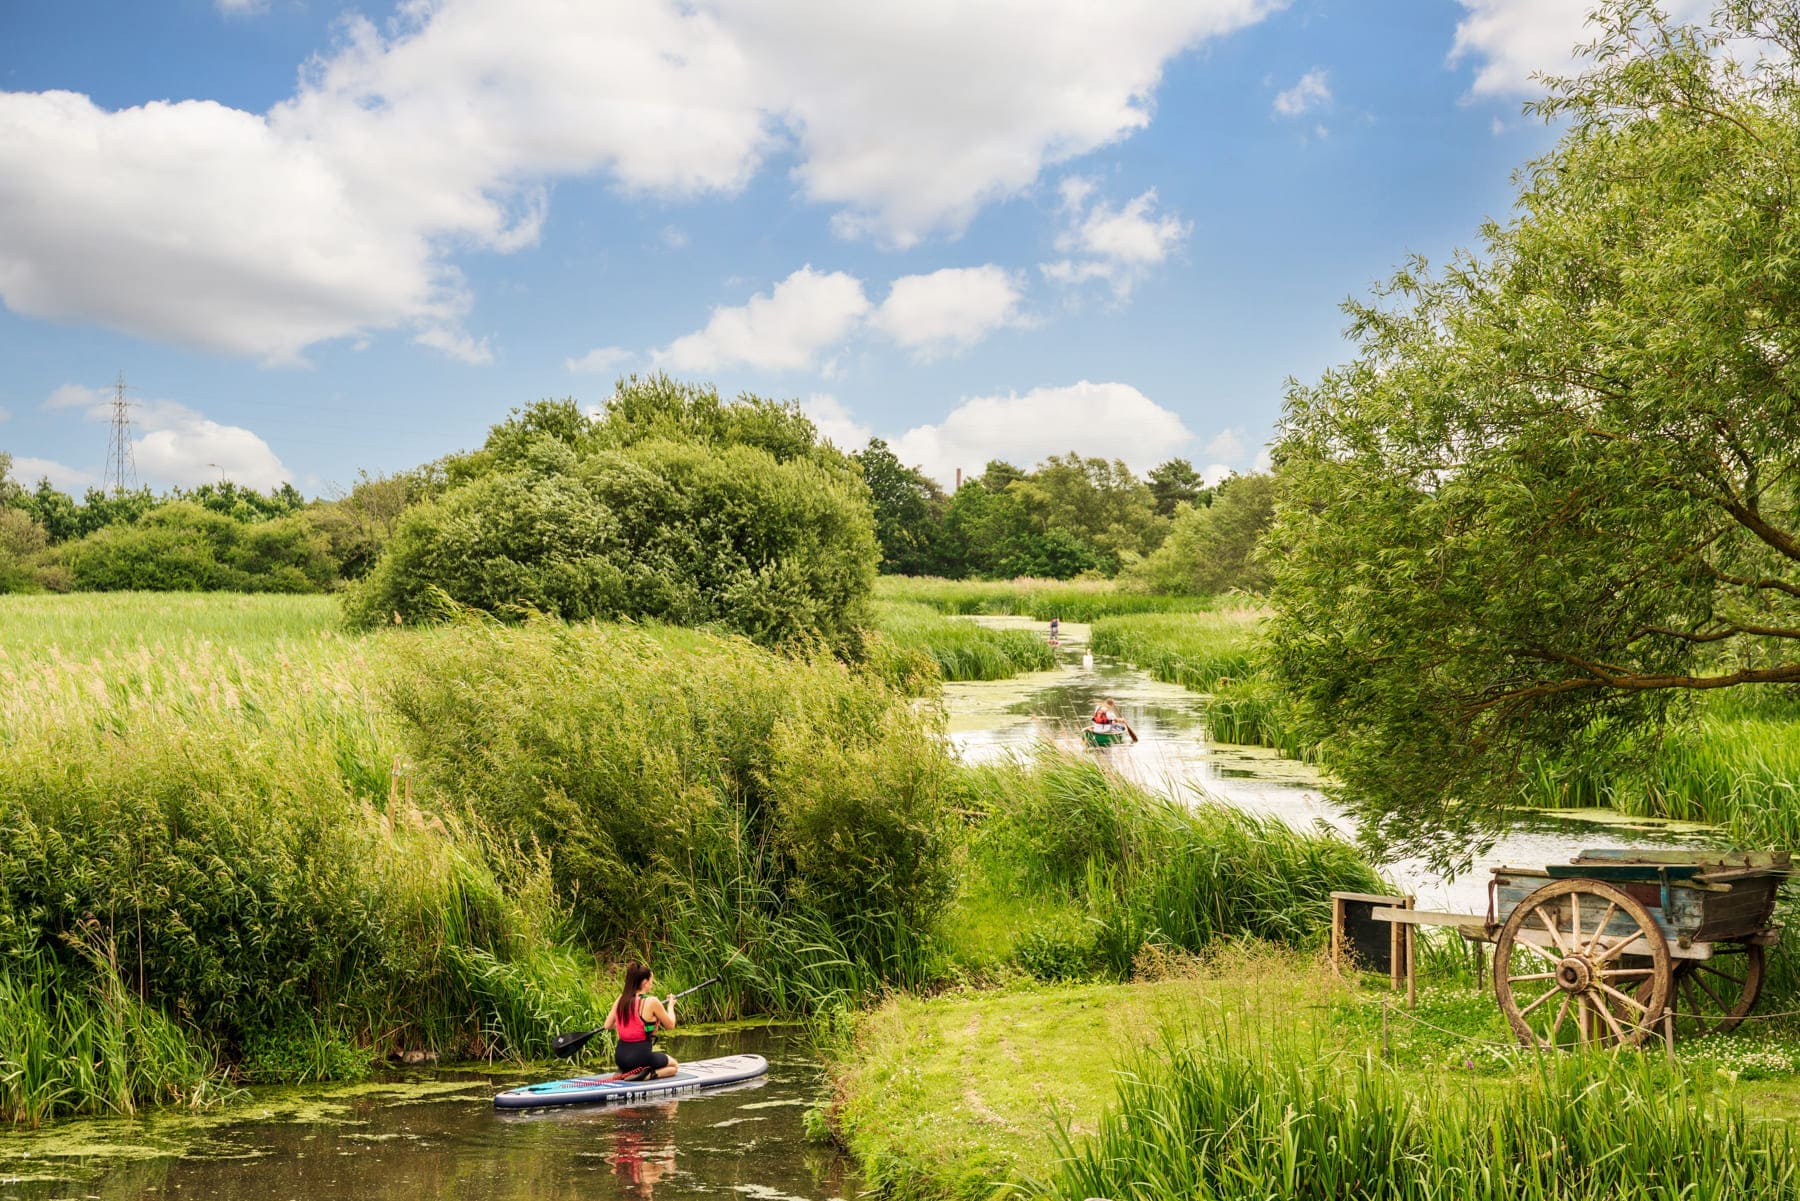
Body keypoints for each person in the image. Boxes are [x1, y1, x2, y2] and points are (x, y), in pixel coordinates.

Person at [603, 961, 680, 1079]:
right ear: (644, 982)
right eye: (651, 981)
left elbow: (608, 1025)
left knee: (639, 1062)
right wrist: (670, 1006)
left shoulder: (621, 998)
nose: (652, 985)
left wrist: (629, 1025)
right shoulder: (652, 1001)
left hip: (620, 1058)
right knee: (674, 1066)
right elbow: (670, 1025)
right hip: (640, 1058)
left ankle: (627, 1072)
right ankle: (647, 1075)